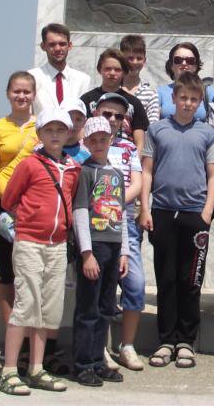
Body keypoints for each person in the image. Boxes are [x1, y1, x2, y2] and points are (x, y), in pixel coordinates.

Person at [139, 72, 214, 369]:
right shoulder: (157, 130)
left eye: (194, 99)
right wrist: (145, 208)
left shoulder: (207, 134)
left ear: (200, 102)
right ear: (173, 98)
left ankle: (186, 340)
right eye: (183, 98)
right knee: (167, 278)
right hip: (162, 212)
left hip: (194, 215)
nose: (188, 104)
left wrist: (207, 213)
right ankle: (166, 340)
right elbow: (147, 171)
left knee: (191, 280)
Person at [0, 108, 81, 396]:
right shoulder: (30, 164)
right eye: (49, 130)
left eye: (60, 130)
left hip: (57, 245)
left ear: (68, 133)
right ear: (40, 133)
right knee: (26, 306)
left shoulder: (72, 168)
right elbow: (9, 199)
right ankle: (9, 371)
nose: (55, 135)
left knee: (48, 309)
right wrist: (31, 219)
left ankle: (36, 367)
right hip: (30, 242)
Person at [71, 117, 131, 387]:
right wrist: (86, 253)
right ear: (86, 142)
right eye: (92, 140)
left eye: (102, 139)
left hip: (113, 244)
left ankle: (98, 360)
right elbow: (80, 211)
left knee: (106, 307)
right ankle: (83, 363)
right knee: (88, 308)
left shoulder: (116, 173)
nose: (98, 144)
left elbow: (122, 213)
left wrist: (124, 252)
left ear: (110, 140)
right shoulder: (85, 172)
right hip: (93, 246)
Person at [91, 92, 146, 371]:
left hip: (123, 220)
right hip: (95, 223)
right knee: (101, 287)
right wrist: (103, 204)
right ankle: (99, 347)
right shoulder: (85, 144)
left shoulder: (127, 148)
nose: (112, 119)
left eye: (118, 115)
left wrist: (113, 200)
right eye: (106, 114)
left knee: (135, 285)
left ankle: (127, 345)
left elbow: (137, 183)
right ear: (95, 113)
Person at [0, 72, 40, 331]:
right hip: (3, 207)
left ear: (34, 94)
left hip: (33, 208)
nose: (21, 96)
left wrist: (26, 204)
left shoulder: (40, 126)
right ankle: (11, 334)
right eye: (16, 91)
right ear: (8, 93)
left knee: (29, 272)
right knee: (7, 271)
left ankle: (29, 333)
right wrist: (12, 201)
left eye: (26, 92)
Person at [80, 48, 149, 151]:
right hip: (93, 155)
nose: (112, 73)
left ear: (124, 72)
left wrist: (135, 161)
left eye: (117, 70)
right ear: (100, 70)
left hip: (125, 157)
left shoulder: (134, 102)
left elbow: (140, 141)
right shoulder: (86, 99)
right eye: (108, 69)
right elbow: (80, 132)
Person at [29, 22, 91, 114]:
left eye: (62, 44)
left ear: (69, 46)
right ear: (43, 46)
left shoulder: (83, 80)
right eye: (52, 44)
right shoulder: (32, 77)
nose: (58, 48)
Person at [156, 42, 214, 122]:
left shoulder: (208, 92)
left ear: (196, 66)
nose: (184, 63)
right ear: (171, 65)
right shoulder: (160, 92)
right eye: (178, 60)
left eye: (190, 61)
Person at [120, 34, 160, 123]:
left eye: (139, 58)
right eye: (130, 58)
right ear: (121, 59)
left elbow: (152, 126)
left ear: (144, 61)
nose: (134, 62)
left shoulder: (151, 94)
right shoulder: (111, 89)